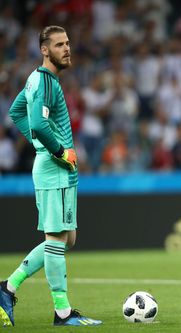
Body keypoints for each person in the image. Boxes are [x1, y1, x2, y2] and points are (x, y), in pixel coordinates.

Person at [0, 26, 102, 327]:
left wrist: (38, 144)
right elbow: (38, 123)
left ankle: (8, 287)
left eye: (68, 43)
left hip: (60, 171)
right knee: (56, 238)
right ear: (45, 50)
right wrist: (57, 150)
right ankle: (62, 311)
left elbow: (16, 112)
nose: (66, 49)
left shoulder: (38, 80)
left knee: (67, 238)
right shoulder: (44, 81)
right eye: (59, 45)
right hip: (54, 169)